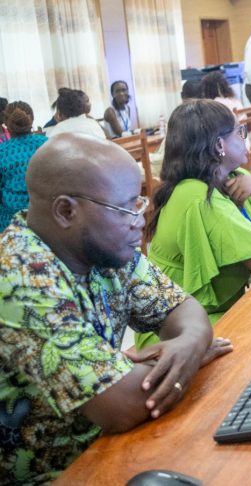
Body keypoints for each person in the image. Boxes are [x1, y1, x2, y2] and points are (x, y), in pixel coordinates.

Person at [0, 133, 226, 483]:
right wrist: (192, 353)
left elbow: (186, 312)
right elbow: (123, 405)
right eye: (126, 208)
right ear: (66, 211)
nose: (140, 220)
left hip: (110, 447)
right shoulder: (19, 279)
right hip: (60, 474)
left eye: (140, 203)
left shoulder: (105, 248)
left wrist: (187, 344)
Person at [142, 100, 251, 346]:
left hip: (210, 315)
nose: (245, 138)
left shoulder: (235, 179)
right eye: (240, 132)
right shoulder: (196, 196)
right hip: (179, 334)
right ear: (219, 145)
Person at [0, 101, 48, 229]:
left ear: (6, 123)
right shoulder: (47, 144)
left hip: (10, 224)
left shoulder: (2, 152)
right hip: (46, 219)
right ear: (32, 119)